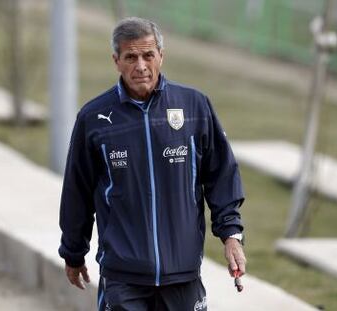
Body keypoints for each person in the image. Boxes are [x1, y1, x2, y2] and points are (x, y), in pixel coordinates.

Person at [59, 17, 246, 311]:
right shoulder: (93, 118)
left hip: (183, 275)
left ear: (161, 55)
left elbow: (221, 176)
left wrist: (231, 236)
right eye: (130, 57)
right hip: (122, 278)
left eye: (148, 55)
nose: (141, 66)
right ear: (116, 61)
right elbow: (77, 192)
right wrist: (73, 252)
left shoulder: (194, 107)